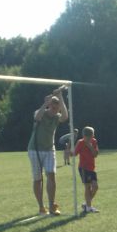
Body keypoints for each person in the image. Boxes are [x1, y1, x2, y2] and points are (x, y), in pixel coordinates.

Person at [28, 87, 69, 215]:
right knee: (38, 179)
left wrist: (60, 96)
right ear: (49, 106)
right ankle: (41, 206)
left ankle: (52, 206)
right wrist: (45, 102)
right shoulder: (41, 112)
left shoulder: (57, 117)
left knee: (51, 175)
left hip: (50, 149)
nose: (55, 110)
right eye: (53, 107)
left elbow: (65, 117)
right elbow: (37, 117)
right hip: (35, 149)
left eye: (57, 108)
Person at [73, 126, 100, 213]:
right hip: (83, 168)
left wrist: (90, 146)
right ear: (84, 136)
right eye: (88, 137)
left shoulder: (94, 141)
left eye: (91, 137)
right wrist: (69, 151)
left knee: (95, 187)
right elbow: (74, 154)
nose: (89, 139)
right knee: (87, 187)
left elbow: (95, 154)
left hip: (92, 168)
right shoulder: (80, 142)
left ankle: (86, 204)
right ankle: (88, 207)